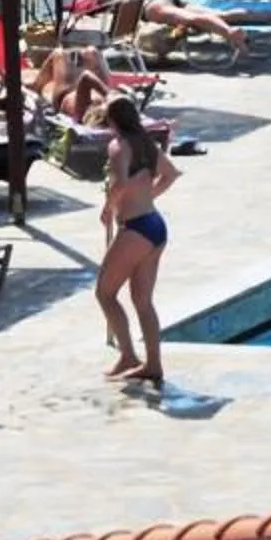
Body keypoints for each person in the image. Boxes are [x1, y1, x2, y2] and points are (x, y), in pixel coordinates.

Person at [97, 95, 178, 386]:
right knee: (142, 300)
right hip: (155, 225)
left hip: (136, 229)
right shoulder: (146, 144)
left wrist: (108, 208)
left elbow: (119, 182)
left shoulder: (119, 146)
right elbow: (170, 174)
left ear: (113, 120)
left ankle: (129, 355)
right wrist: (147, 196)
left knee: (105, 293)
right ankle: (153, 364)